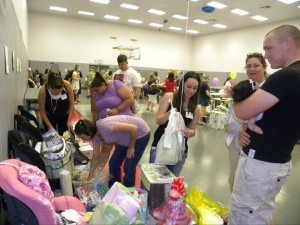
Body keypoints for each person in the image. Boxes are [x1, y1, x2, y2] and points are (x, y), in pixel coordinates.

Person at [229, 25, 300, 225]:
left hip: (261, 165)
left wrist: (243, 112)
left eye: (268, 48)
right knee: (260, 214)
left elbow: (241, 111)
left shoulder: (287, 76)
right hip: (277, 161)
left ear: (287, 43)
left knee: (245, 217)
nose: (266, 55)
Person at [224, 52, 267, 192]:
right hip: (235, 142)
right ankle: (234, 211)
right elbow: (230, 114)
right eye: (249, 66)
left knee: (254, 185)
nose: (252, 69)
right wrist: (233, 128)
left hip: (256, 145)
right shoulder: (243, 88)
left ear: (264, 67)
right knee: (234, 178)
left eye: (256, 65)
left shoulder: (269, 91)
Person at [74, 116, 150, 187]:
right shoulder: (95, 136)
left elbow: (134, 128)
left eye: (82, 137)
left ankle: (129, 191)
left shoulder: (105, 126)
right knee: (113, 163)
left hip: (140, 135)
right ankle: (115, 188)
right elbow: (95, 156)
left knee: (129, 167)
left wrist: (131, 147)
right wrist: (90, 178)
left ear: (88, 132)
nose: (83, 140)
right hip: (125, 139)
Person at [149, 71, 200, 176]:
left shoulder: (196, 107)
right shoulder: (169, 97)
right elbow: (158, 120)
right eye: (189, 86)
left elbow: (192, 129)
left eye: (195, 88)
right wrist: (170, 113)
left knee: (172, 185)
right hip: (161, 146)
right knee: (154, 183)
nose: (191, 91)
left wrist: (191, 133)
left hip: (179, 151)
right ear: (182, 84)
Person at [38, 71, 75, 135]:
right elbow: (42, 111)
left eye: (60, 91)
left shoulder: (67, 85)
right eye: (55, 92)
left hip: (64, 116)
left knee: (66, 135)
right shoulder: (43, 91)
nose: (58, 94)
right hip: (49, 117)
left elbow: (72, 104)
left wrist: (69, 121)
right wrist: (50, 127)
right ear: (49, 87)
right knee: (52, 137)